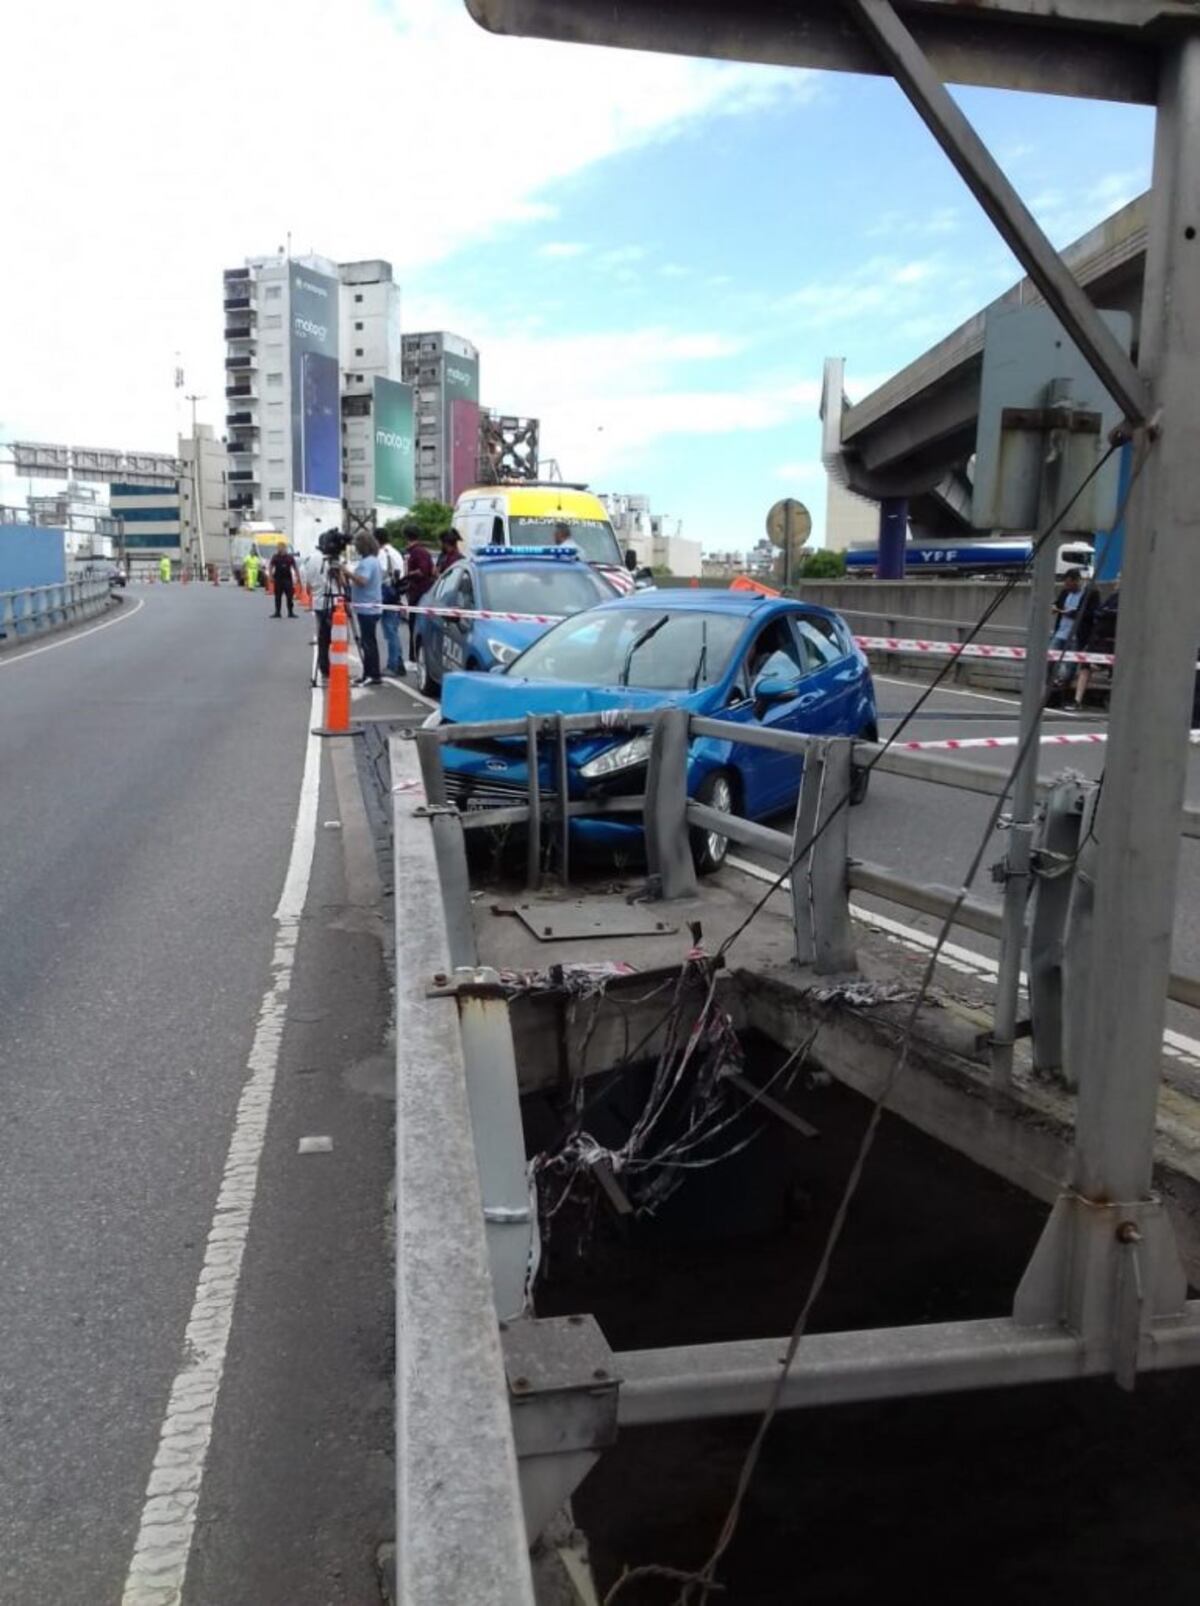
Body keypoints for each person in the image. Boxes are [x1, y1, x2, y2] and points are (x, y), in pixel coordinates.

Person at [345, 531, 384, 685]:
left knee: (368, 642)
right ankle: (370, 672)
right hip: (368, 606)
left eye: (357, 545)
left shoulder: (368, 562)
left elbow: (362, 581)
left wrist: (346, 572)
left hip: (368, 607)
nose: (356, 548)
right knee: (369, 641)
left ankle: (372, 673)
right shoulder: (372, 561)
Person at [402, 523, 435, 663]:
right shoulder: (417, 552)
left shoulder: (418, 552)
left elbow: (422, 571)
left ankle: (415, 656)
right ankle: (414, 655)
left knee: (415, 624)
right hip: (417, 592)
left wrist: (408, 575)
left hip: (419, 593)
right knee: (413, 624)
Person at [378, 535, 407, 677]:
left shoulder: (383, 553)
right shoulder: (395, 552)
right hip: (395, 593)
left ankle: (393, 664)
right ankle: (399, 662)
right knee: (393, 630)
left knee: (390, 632)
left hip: (387, 595)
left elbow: (381, 573)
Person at [269, 542, 300, 618]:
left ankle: (290, 612)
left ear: (285, 548)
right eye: (279, 548)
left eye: (282, 548)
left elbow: (295, 567)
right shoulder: (275, 557)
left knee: (289, 596)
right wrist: (270, 576)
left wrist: (297, 576)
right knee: (277, 597)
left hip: (287, 580)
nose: (280, 549)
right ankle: (277, 612)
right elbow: (271, 566)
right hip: (278, 579)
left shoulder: (289, 557)